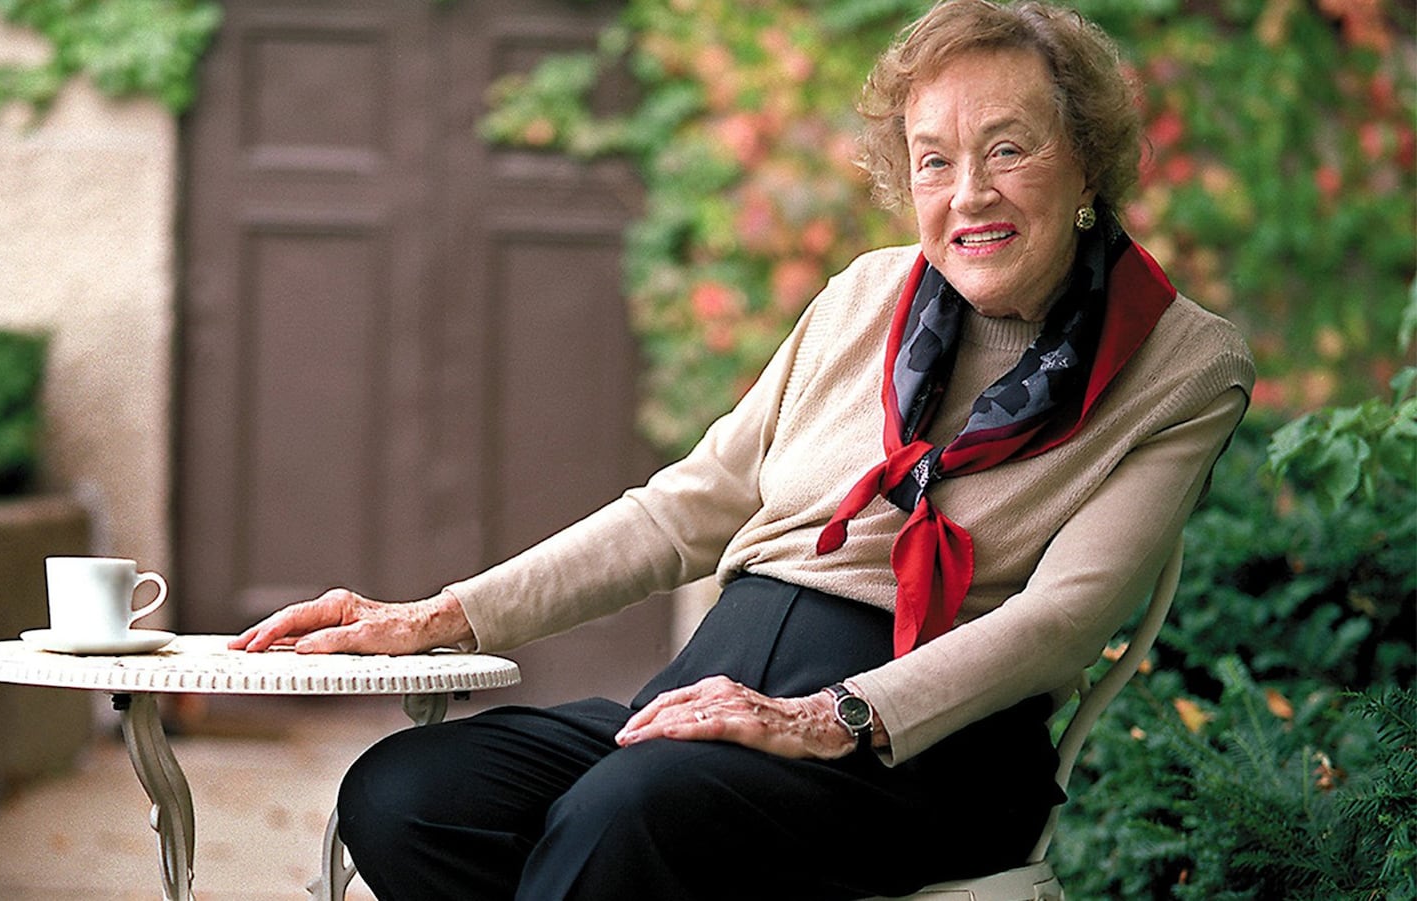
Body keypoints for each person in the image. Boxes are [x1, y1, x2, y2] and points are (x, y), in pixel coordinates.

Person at [230, 1, 1254, 897]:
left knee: (625, 815)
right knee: (409, 794)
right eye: (933, 160)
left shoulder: (1182, 362)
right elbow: (688, 507)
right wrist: (443, 614)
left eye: (1008, 148)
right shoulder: (865, 295)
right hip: (715, 688)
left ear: (1086, 162)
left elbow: (1065, 616)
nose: (967, 194)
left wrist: (828, 716)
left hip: (924, 746)